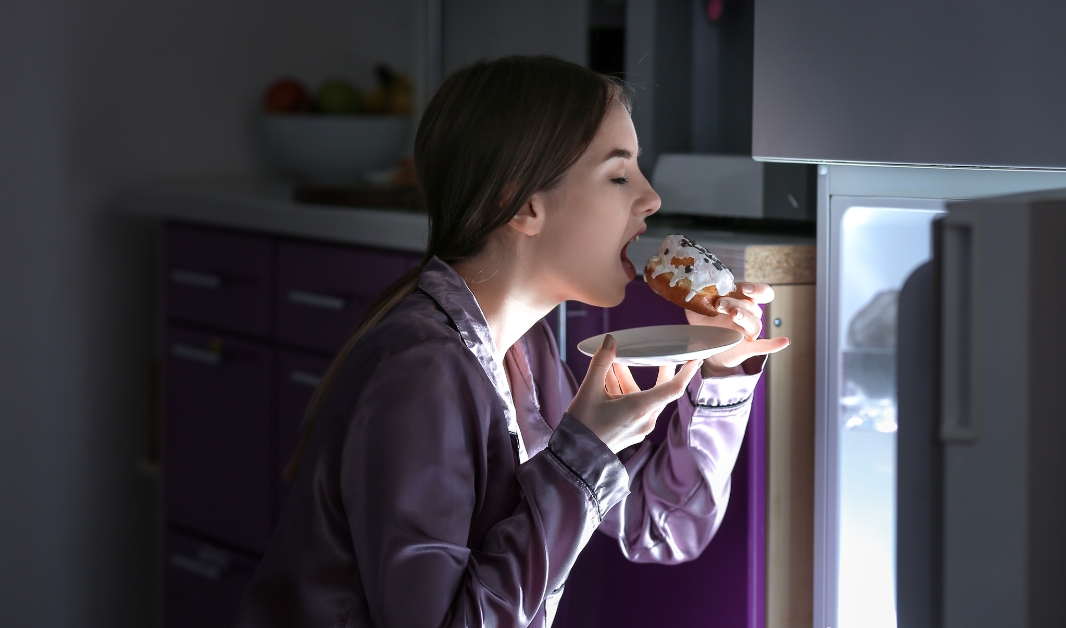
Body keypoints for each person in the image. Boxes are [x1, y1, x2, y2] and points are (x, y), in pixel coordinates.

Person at [234, 55, 790, 628]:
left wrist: (719, 373)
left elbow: (664, 528)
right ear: (523, 205)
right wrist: (586, 454)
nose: (651, 199)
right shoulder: (424, 371)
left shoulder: (525, 351)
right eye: (619, 175)